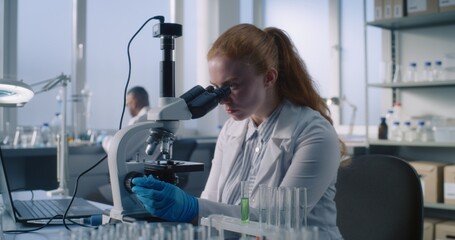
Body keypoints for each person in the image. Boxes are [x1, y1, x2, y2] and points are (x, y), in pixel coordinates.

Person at [131, 24, 346, 239]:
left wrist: (192, 208)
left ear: (269, 78)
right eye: (216, 88)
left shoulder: (314, 133)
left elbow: (276, 223)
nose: (222, 99)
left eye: (232, 86)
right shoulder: (232, 129)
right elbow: (212, 204)